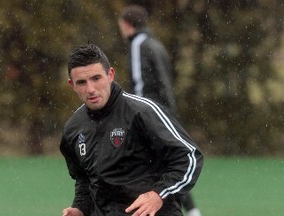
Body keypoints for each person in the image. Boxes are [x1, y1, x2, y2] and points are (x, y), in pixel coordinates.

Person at [60, 43, 203, 216]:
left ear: (110, 75)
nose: (90, 89)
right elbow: (84, 180)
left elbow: (189, 156)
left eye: (96, 78)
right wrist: (80, 208)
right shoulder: (73, 128)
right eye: (81, 82)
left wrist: (158, 194)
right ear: (72, 85)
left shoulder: (142, 112)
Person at [118, 5, 202, 216]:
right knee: (168, 163)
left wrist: (134, 115)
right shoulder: (156, 44)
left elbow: (139, 83)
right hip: (165, 112)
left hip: (149, 115)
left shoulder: (138, 44)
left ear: (127, 24)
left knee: (147, 164)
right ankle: (191, 210)